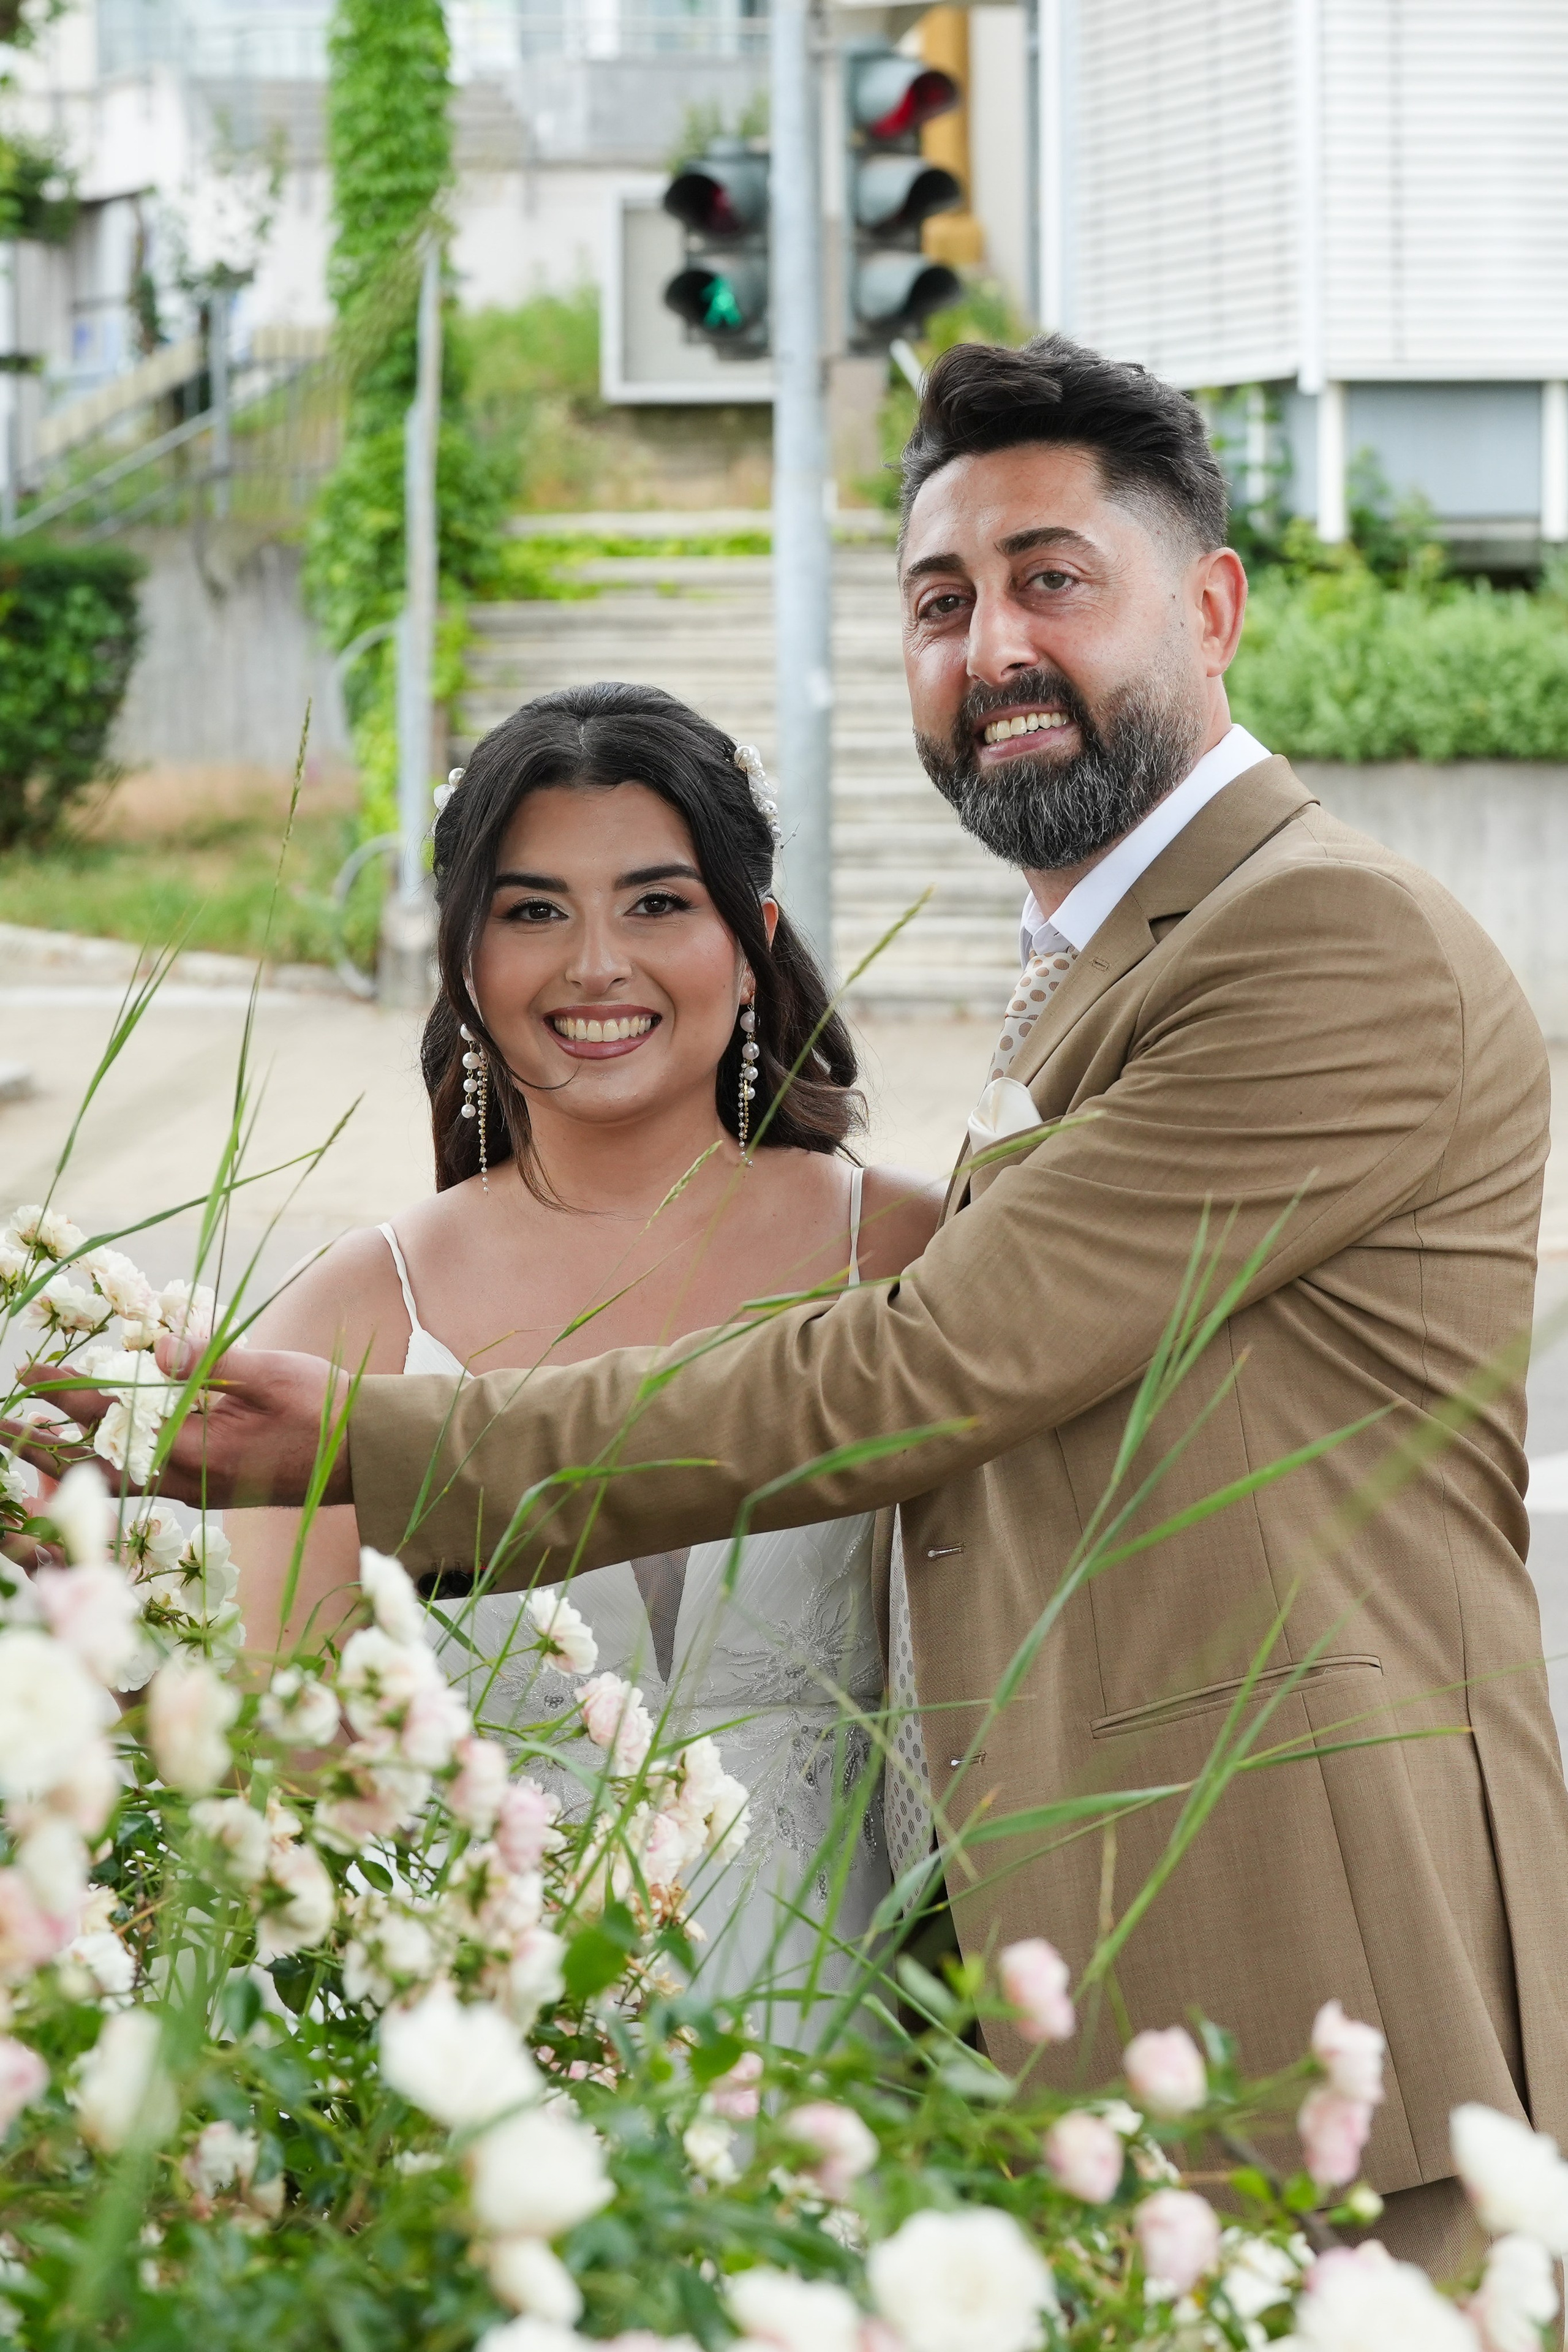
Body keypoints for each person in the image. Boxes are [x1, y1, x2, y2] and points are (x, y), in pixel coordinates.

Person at [45, 336, 1568, 2277]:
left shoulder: (1317, 940)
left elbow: (930, 1370)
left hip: (1315, 1974)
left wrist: (354, 1444)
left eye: (1051, 581)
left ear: (1213, 604)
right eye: (941, 603)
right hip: (1013, 2028)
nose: (992, 646)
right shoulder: (1102, 956)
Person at [225, 681, 941, 2035]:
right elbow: (298, 1785)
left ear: (752, 945)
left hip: (871, 2055)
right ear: (461, 962)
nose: (594, 963)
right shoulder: (349, 1323)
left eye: (658, 904)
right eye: (531, 910)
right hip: (485, 2068)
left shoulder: (915, 1254)